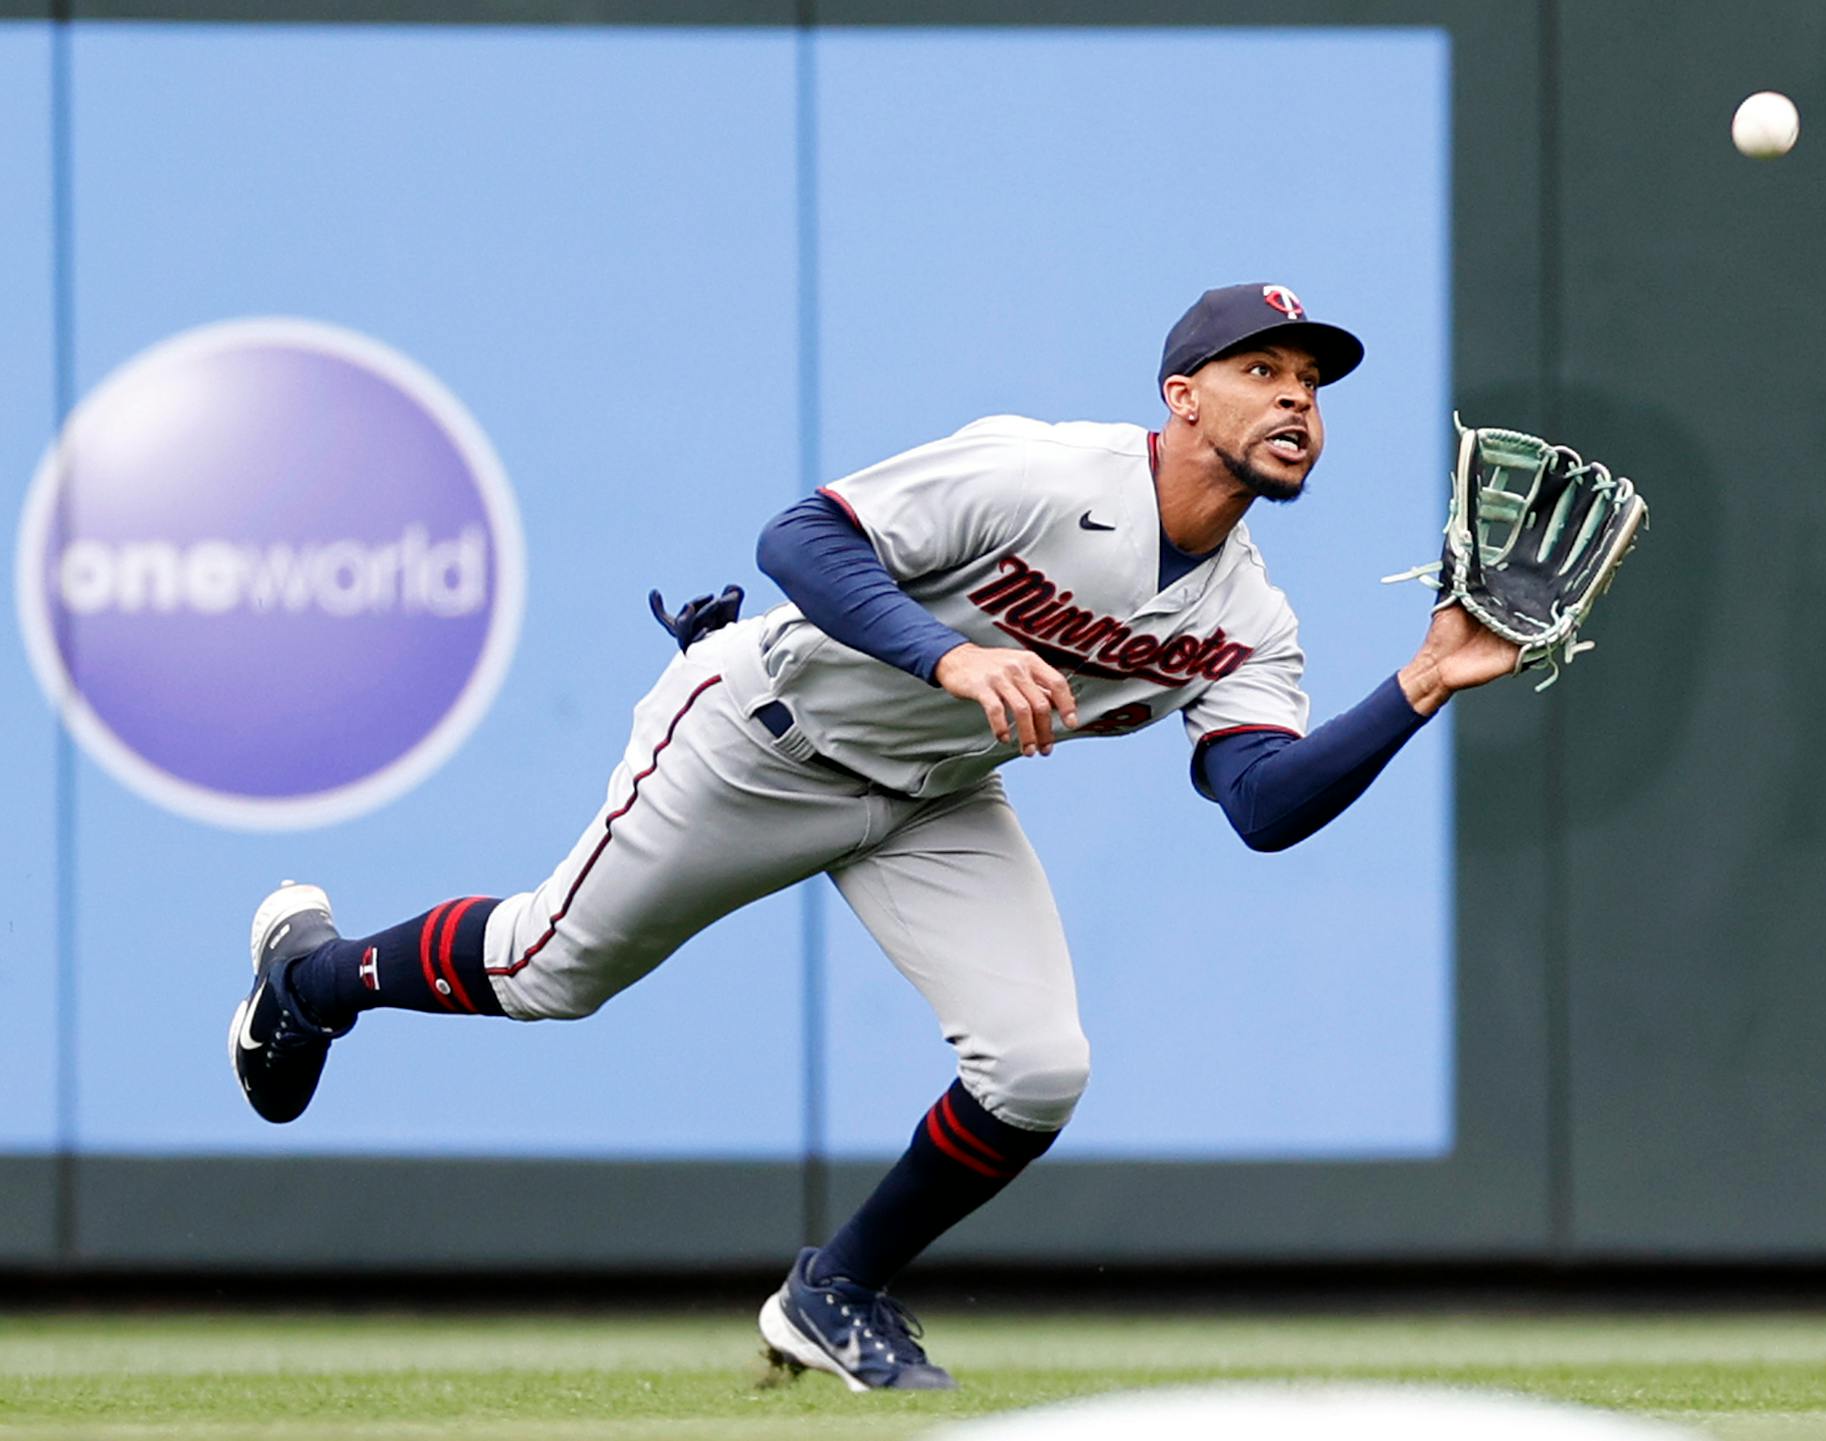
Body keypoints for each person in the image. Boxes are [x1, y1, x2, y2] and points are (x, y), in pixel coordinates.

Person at [228, 282, 1519, 1390]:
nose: (1297, 402)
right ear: (1183, 395)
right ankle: (310, 977)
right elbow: (800, 536)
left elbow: (1263, 805)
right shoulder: (1051, 471)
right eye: (1262, 372)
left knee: (1037, 1068)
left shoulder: (1251, 615)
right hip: (762, 735)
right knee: (543, 973)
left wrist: (1419, 684)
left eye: (1313, 383)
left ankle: (835, 1291)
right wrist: (955, 656)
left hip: (930, 797)